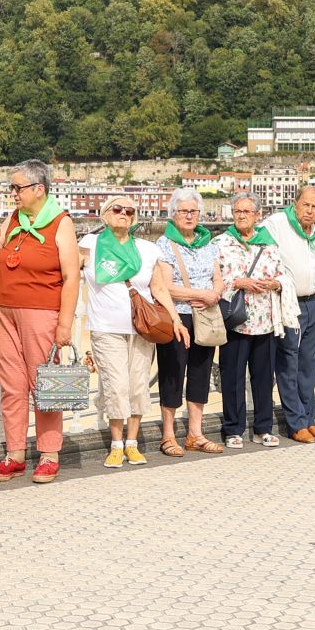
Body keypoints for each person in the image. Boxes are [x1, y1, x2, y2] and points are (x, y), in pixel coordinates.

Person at [0, 159, 81, 483]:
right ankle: (15, 454)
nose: (13, 193)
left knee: (44, 385)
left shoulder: (60, 222)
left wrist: (64, 324)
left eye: (17, 187)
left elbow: (71, 276)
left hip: (41, 312)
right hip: (4, 309)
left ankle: (49, 454)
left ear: (39, 189)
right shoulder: (14, 219)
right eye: (11, 187)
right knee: (12, 386)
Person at [80, 192, 183, 467]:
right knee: (116, 386)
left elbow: (158, 288)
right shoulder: (89, 244)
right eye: (117, 209)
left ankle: (132, 443)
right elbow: (65, 272)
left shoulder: (148, 249)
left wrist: (175, 318)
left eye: (129, 211)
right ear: (105, 214)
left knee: (137, 386)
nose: (123, 214)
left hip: (142, 327)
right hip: (105, 327)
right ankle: (115, 444)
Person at [213, 195, 295, 448]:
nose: (241, 215)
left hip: (266, 321)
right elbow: (212, 280)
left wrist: (275, 283)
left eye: (247, 211)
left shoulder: (269, 245)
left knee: (263, 377)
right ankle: (233, 429)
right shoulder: (220, 243)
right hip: (235, 319)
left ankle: (263, 428)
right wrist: (238, 283)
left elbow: (283, 275)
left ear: (258, 215)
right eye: (237, 210)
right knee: (233, 377)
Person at [153, 187, 227, 455]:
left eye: (193, 211)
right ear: (173, 214)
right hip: (178, 315)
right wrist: (201, 294)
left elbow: (217, 277)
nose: (189, 216)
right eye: (183, 211)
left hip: (206, 315)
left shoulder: (208, 243)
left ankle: (195, 433)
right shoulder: (165, 244)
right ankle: (168, 435)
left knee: (201, 372)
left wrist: (215, 294)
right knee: (173, 371)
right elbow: (165, 286)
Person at [260, 185, 315, 443]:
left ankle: (309, 419)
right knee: (288, 362)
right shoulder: (277, 223)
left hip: (311, 302)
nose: (310, 211)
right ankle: (295, 422)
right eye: (306, 205)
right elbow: (257, 246)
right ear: (296, 203)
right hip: (287, 303)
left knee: (309, 365)